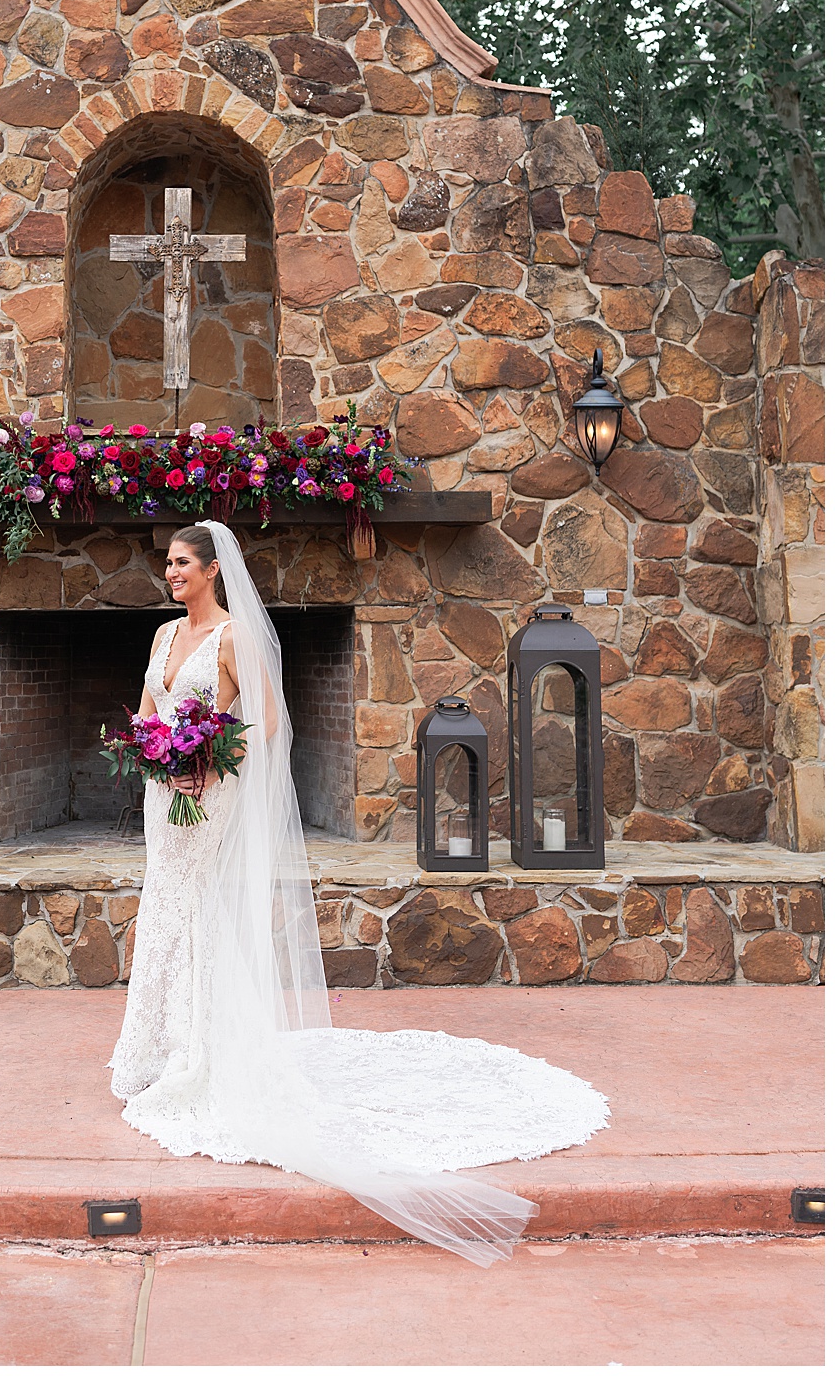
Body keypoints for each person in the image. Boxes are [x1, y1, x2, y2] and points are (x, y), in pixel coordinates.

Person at [109, 520, 609, 1265]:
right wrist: (155, 755)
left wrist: (209, 768)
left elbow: (269, 723)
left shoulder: (235, 638)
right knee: (164, 909)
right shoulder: (161, 639)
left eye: (181, 564)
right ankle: (156, 1047)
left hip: (209, 798)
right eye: (169, 564)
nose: (170, 574)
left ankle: (202, 1052)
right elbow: (149, 717)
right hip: (164, 797)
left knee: (197, 911)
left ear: (213, 570)